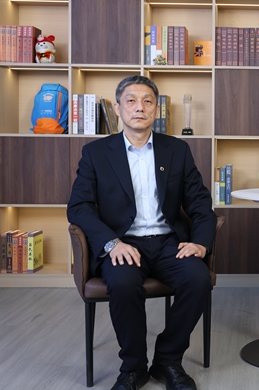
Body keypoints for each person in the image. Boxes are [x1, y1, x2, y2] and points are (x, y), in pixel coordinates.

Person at [67, 75, 216, 390]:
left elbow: (200, 203)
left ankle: (168, 360)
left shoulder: (176, 150)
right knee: (123, 283)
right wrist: (111, 243)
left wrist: (201, 243)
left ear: (156, 109)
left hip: (168, 242)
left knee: (198, 278)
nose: (139, 107)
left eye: (147, 101)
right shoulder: (96, 153)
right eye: (131, 101)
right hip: (123, 243)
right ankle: (133, 368)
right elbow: (79, 207)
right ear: (118, 108)